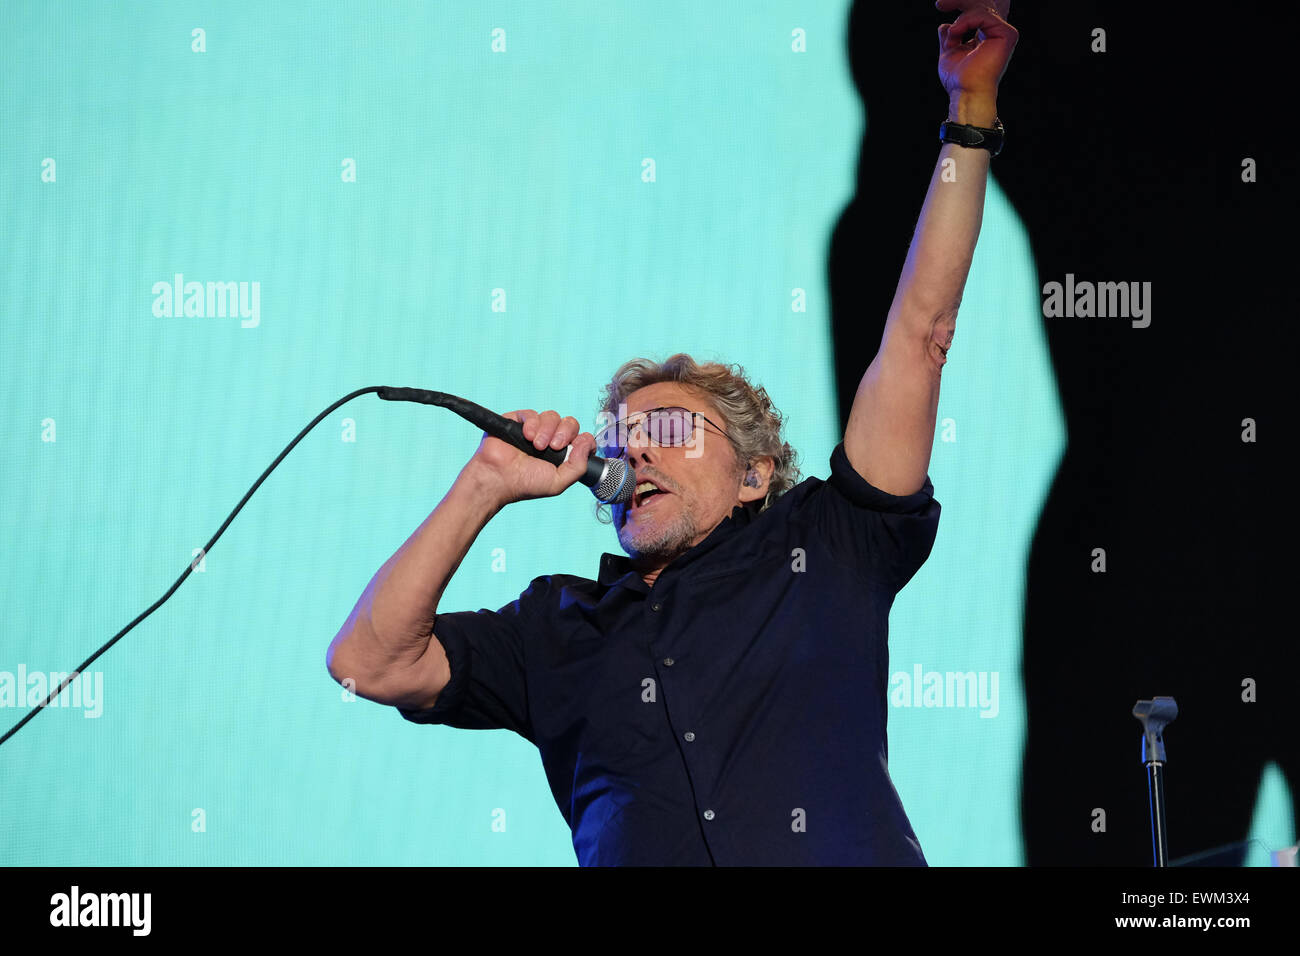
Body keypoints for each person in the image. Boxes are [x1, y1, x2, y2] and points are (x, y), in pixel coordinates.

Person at [326, 0, 1017, 865]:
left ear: (755, 474)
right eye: (622, 436)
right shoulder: (555, 626)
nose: (636, 448)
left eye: (666, 428)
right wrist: (485, 486)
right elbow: (369, 662)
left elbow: (921, 336)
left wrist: (970, 112)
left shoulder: (828, 546)